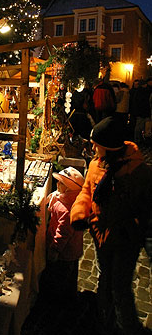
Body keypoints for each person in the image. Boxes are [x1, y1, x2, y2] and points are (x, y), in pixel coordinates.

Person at [70, 116, 152, 335]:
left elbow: (145, 209)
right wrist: (79, 212)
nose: (93, 147)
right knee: (103, 278)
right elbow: (87, 192)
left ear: (108, 146)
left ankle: (129, 328)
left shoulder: (138, 172)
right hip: (100, 235)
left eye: (96, 144)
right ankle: (105, 323)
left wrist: (136, 228)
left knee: (120, 286)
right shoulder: (97, 165)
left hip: (125, 239)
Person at [40, 166, 85, 302]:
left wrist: (55, 249)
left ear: (68, 188)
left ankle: (60, 301)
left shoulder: (67, 209)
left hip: (65, 252)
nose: (57, 184)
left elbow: (63, 233)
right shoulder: (64, 199)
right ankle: (69, 297)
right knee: (70, 276)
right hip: (72, 250)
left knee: (62, 276)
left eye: (60, 183)